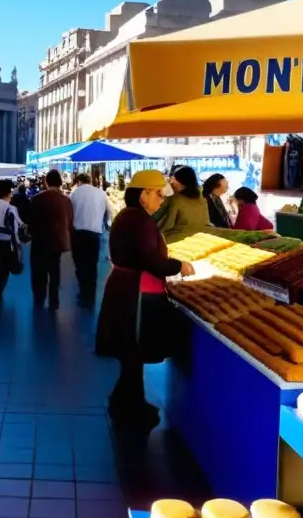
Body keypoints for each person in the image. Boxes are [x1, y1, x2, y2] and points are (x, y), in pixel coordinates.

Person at [96, 170, 194, 429]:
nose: (161, 201)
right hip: (134, 292)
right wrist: (177, 266)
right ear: (144, 194)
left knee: (131, 353)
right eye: (159, 194)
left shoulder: (132, 217)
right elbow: (148, 258)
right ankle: (130, 408)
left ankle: (126, 402)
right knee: (132, 349)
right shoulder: (137, 220)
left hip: (129, 288)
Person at [29, 169, 74, 310]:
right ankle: (54, 302)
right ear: (60, 183)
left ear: (46, 181)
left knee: (38, 272)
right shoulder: (67, 200)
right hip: (58, 241)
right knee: (54, 272)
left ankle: (39, 299)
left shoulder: (37, 198)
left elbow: (31, 220)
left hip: (40, 240)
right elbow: (70, 221)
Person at [69, 172, 112, 308]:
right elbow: (110, 210)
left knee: (80, 264)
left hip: (77, 234)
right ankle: (91, 296)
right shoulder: (101, 193)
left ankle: (83, 293)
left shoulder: (75, 193)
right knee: (92, 265)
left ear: (79, 182)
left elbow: (69, 210)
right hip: (94, 234)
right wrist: (106, 223)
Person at [155, 165, 209, 244]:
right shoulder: (201, 198)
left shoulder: (175, 198)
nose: (172, 184)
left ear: (184, 183)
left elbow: (167, 224)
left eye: (174, 183)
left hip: (177, 240)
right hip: (198, 239)